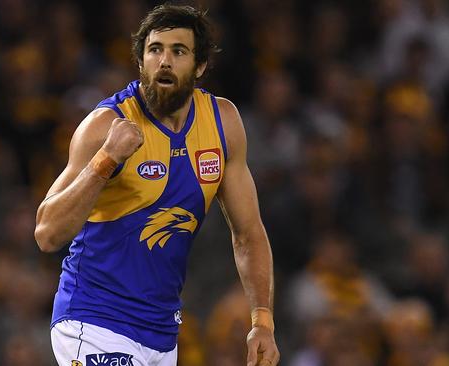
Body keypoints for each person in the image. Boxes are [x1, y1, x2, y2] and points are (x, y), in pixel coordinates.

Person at [35, 4, 279, 366]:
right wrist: (105, 161)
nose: (164, 61)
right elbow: (47, 233)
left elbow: (248, 233)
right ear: (140, 62)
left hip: (162, 335)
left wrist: (263, 321)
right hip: (93, 321)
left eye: (178, 51)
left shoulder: (222, 124)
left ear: (200, 66)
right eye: (155, 50)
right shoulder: (106, 125)